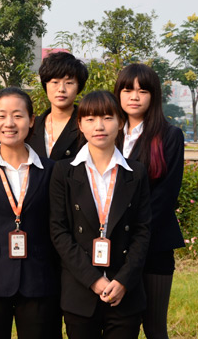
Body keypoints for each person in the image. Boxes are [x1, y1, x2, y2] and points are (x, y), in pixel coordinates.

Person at [0, 87, 62, 339]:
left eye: (18, 115)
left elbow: (58, 227)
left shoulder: (51, 170)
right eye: (1, 116)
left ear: (31, 120)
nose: (9, 123)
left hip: (40, 279)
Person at [49, 90, 151, 339]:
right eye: (91, 119)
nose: (99, 126)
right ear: (80, 124)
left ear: (120, 122)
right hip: (80, 290)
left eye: (107, 118)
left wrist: (123, 281)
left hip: (124, 291)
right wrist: (94, 280)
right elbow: (59, 231)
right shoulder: (63, 171)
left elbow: (143, 230)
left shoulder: (136, 172)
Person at [114, 64, 185, 339]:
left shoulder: (169, 136)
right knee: (121, 327)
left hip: (154, 245)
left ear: (154, 96)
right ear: (118, 93)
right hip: (114, 248)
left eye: (143, 91)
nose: (135, 96)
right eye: (128, 90)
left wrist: (133, 234)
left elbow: (165, 196)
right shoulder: (108, 133)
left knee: (155, 328)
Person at [28, 52, 89, 161]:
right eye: (55, 82)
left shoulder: (88, 125)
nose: (61, 89)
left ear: (78, 87)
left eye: (69, 83)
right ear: (45, 85)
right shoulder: (32, 126)